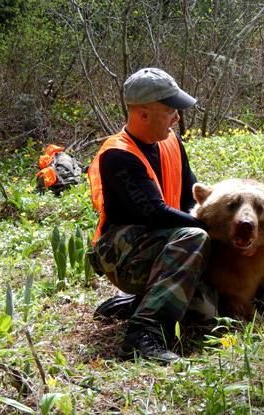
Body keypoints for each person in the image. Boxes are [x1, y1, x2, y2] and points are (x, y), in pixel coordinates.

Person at [87, 68, 217, 364]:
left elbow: (190, 197)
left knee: (207, 309)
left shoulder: (171, 141)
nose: (177, 117)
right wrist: (210, 227)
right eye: (170, 110)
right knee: (196, 236)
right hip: (121, 253)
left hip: (166, 242)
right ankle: (142, 335)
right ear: (143, 114)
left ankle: (142, 302)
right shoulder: (118, 155)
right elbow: (155, 214)